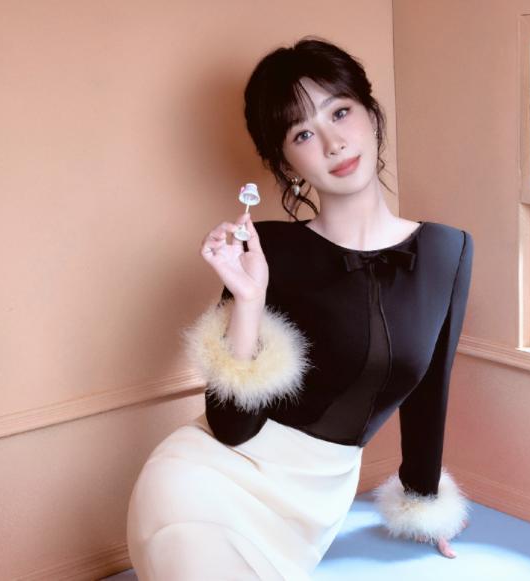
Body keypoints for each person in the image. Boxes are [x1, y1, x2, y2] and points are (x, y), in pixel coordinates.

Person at [126, 37, 474, 580]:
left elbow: (431, 387)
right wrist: (248, 299)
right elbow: (231, 427)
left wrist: (424, 501)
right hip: (205, 486)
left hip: (311, 506)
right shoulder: (266, 249)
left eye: (340, 112)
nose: (333, 143)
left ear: (371, 113)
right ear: (285, 162)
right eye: (303, 134)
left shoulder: (447, 250)